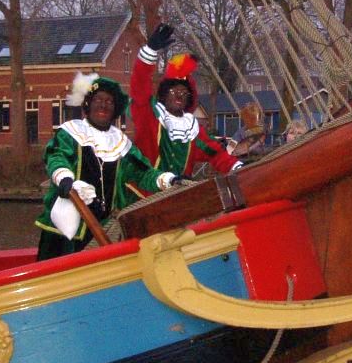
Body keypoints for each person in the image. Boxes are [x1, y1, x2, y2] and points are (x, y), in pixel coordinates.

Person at [35, 74, 178, 261]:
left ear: (115, 109)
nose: (103, 105)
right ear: (88, 104)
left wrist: (170, 180)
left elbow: (143, 173)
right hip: (66, 231)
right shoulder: (71, 132)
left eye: (109, 102)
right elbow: (57, 156)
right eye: (98, 100)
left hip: (105, 228)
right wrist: (64, 177)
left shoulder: (121, 142)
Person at [130, 23, 240, 191]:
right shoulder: (149, 114)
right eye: (174, 91)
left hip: (179, 197)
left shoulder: (192, 128)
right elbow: (139, 85)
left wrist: (238, 167)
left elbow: (214, 153)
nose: (179, 95)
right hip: (143, 196)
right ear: (164, 94)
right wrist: (149, 51)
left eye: (184, 92)